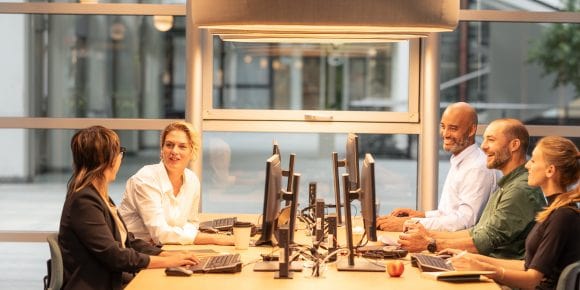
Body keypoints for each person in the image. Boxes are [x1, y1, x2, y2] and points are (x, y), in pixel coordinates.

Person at [58, 126, 199, 290]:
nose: (120, 157)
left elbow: (128, 241)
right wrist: (167, 261)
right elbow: (115, 256)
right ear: (108, 159)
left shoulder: (97, 195)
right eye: (119, 151)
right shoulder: (84, 201)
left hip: (114, 278)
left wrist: (165, 254)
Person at [399, 118, 546, 259]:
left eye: (491, 140)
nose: (483, 146)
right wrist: (427, 235)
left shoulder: (520, 190)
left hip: (498, 281)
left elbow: (484, 241)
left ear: (514, 145)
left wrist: (430, 244)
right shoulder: (508, 184)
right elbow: (476, 232)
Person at [445, 136, 580, 290]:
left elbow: (532, 279)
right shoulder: (556, 211)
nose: (528, 165)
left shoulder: (562, 217)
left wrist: (487, 271)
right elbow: (525, 265)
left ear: (550, 170)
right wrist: (472, 259)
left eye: (534, 161)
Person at [377, 102, 497, 231]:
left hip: (457, 244)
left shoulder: (476, 168)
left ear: (472, 130)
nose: (445, 134)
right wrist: (420, 215)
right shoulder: (461, 159)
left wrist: (408, 224)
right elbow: (449, 213)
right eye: (443, 126)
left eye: (453, 128)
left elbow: (464, 221)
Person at [118, 121, 233, 245]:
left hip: (167, 247)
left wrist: (172, 236)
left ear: (192, 151)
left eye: (182, 146)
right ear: (162, 149)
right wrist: (214, 239)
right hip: (134, 251)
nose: (174, 151)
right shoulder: (146, 179)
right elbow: (160, 234)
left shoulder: (192, 180)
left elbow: (191, 222)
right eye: (169, 145)